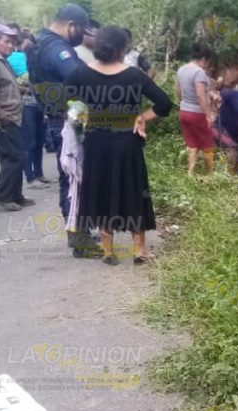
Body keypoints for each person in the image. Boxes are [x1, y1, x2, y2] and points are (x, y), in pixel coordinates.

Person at [65, 25, 173, 265]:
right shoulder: (135, 76)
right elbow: (164, 104)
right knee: (134, 190)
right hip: (127, 142)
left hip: (96, 142)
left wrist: (82, 117)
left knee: (103, 189)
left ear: (97, 47)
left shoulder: (79, 74)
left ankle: (108, 250)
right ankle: (139, 251)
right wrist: (141, 117)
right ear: (123, 49)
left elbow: (65, 101)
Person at [30, 3, 101, 256]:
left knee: (69, 177)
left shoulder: (39, 43)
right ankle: (79, 240)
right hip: (68, 121)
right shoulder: (57, 48)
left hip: (56, 117)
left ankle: (77, 233)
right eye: (80, 30)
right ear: (71, 25)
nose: (81, 36)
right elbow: (79, 77)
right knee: (75, 178)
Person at [0, 24, 33, 212]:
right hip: (3, 118)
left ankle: (15, 195)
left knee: (12, 157)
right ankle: (1, 196)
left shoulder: (3, 61)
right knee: (14, 157)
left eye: (13, 42)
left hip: (11, 116)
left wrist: (27, 91)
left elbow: (8, 87)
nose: (11, 46)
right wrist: (2, 116)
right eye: (7, 42)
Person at [8, 30, 49, 188]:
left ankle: (39, 173)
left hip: (40, 103)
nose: (28, 44)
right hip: (25, 104)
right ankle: (30, 177)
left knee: (39, 140)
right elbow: (10, 83)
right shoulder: (12, 59)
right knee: (29, 141)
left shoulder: (37, 58)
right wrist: (25, 88)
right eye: (25, 41)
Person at [176, 43, 215, 175]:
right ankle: (210, 175)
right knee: (207, 145)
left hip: (184, 111)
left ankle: (190, 173)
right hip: (197, 114)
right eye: (207, 61)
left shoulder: (181, 69)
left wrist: (183, 103)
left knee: (191, 144)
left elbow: (178, 90)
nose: (207, 65)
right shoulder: (199, 72)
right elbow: (200, 94)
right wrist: (208, 115)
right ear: (203, 58)